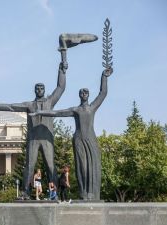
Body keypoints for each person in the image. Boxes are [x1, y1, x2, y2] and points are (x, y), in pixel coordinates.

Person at [0, 53, 68, 194]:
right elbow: (11, 107)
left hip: (47, 140)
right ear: (35, 90)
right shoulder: (29, 105)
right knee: (29, 165)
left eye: (41, 88)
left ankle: (55, 192)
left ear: (44, 90)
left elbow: (61, 87)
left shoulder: (50, 102)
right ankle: (25, 192)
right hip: (33, 140)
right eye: (37, 88)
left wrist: (62, 71)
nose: (39, 90)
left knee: (50, 166)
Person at [30, 68, 113, 200]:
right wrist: (40, 112)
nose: (84, 93)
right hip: (79, 140)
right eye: (81, 92)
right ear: (79, 95)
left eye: (86, 92)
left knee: (93, 167)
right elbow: (57, 113)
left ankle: (92, 194)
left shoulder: (92, 107)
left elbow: (103, 93)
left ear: (88, 95)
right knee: (82, 167)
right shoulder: (76, 110)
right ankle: (83, 193)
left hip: (91, 140)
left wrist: (104, 77)